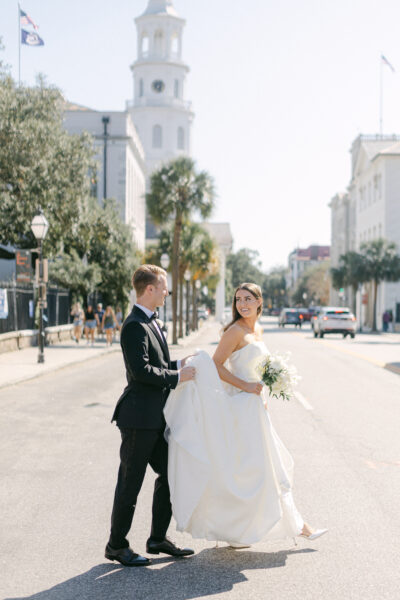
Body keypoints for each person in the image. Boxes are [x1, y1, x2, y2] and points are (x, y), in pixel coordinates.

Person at [165, 283, 328, 548]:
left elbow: (257, 369)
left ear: (259, 302)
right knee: (254, 471)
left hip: (255, 407)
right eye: (239, 299)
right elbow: (215, 366)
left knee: (262, 470)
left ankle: (254, 529)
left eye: (248, 299)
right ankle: (298, 527)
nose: (243, 304)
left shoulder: (257, 329)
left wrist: (265, 387)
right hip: (241, 405)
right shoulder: (235, 331)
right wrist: (247, 387)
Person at [105, 265, 196, 567]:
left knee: (172, 472)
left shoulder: (151, 323)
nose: (167, 291)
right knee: (130, 484)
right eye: (163, 287)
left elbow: (157, 361)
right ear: (149, 290)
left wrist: (179, 363)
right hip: (138, 419)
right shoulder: (134, 325)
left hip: (155, 419)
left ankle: (157, 537)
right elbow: (141, 371)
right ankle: (117, 545)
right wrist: (177, 376)